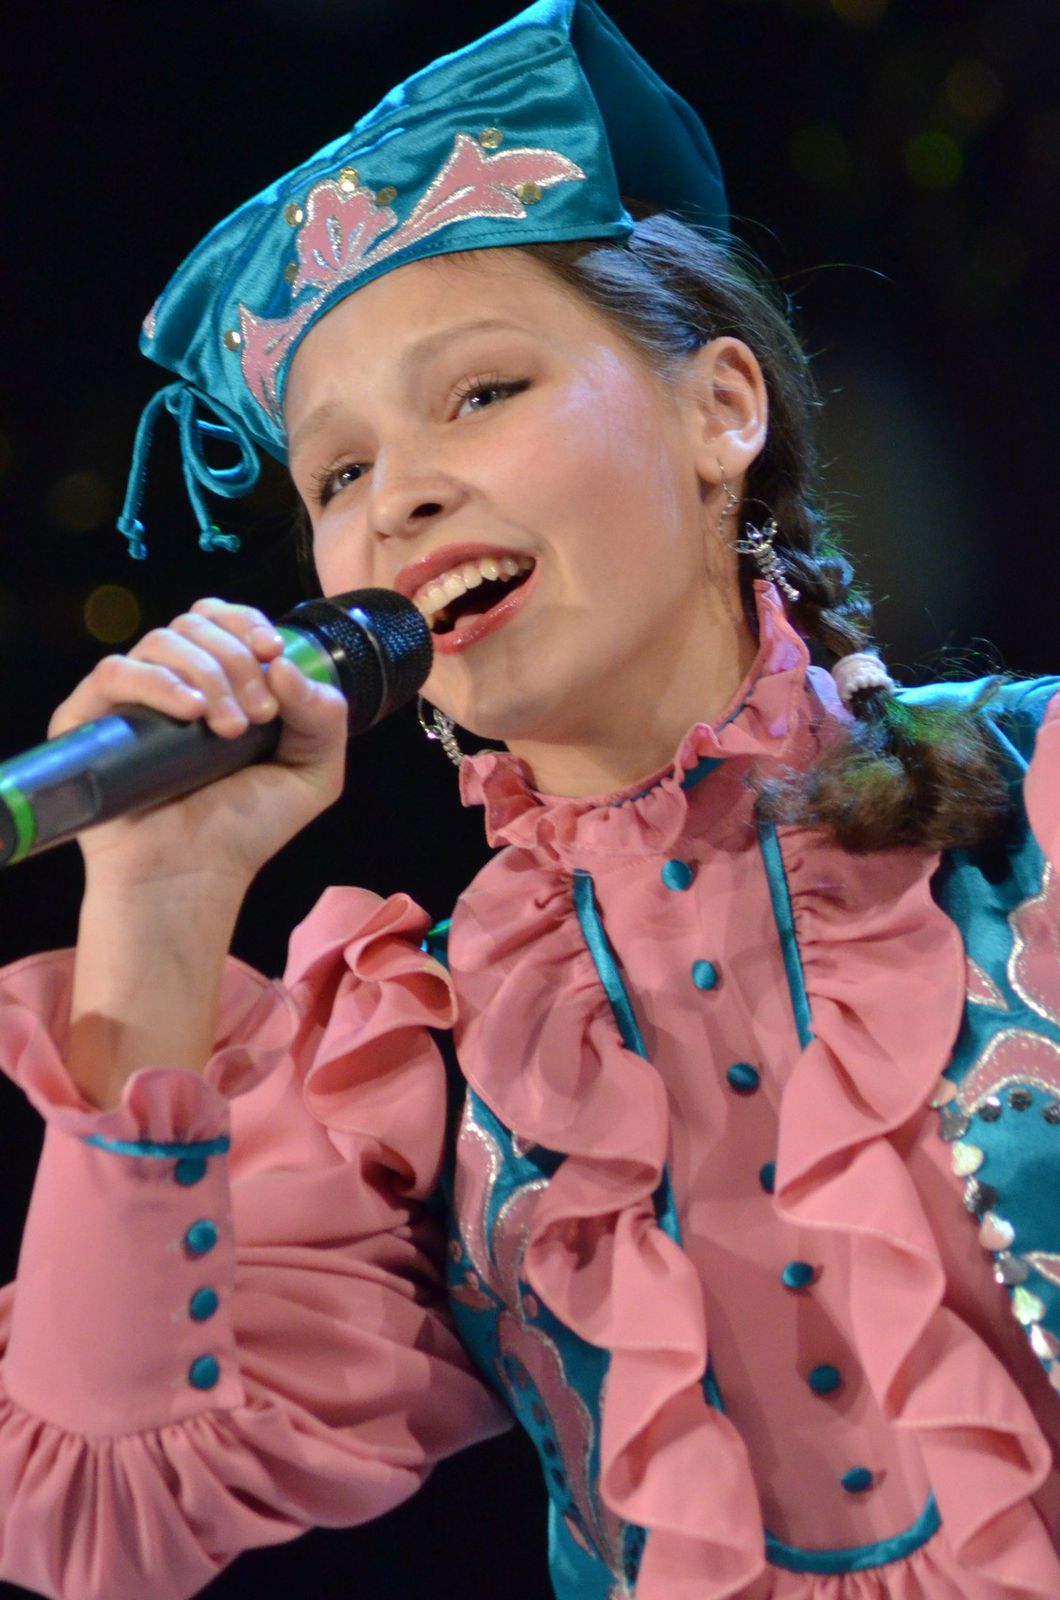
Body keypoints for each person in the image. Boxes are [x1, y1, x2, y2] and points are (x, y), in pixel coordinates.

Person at [0, 2, 1058, 1597]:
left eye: (482, 392)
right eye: (338, 474)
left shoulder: (1033, 803)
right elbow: (96, 1505)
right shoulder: (427, 1046)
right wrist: (155, 906)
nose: (401, 496)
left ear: (723, 408)